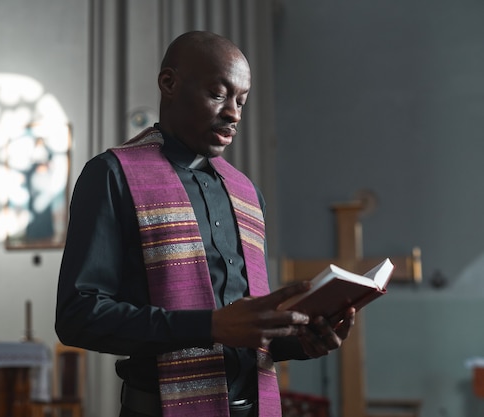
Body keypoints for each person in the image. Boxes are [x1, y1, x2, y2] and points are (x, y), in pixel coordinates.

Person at [55, 31, 355, 417]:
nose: (234, 113)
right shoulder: (113, 175)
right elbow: (78, 316)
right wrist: (209, 326)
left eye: (241, 101)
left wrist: (303, 342)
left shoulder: (246, 193)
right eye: (218, 94)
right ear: (169, 83)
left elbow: (246, 336)